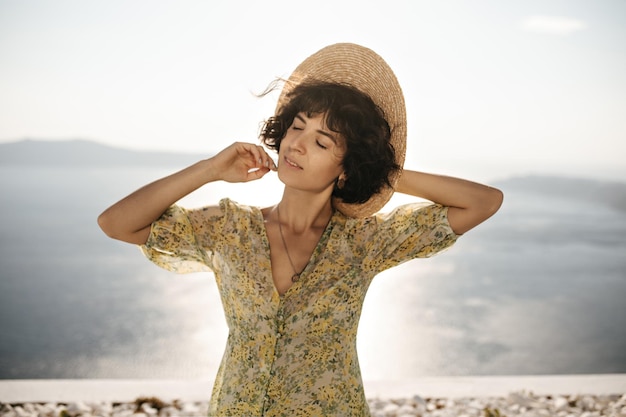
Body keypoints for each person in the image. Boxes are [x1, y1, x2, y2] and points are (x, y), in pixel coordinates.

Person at [98, 43, 503, 416]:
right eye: (297, 127)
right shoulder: (230, 228)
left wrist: (383, 172)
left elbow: (484, 201)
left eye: (322, 142)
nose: (297, 145)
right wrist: (209, 170)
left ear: (346, 169)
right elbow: (115, 223)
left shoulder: (366, 241)